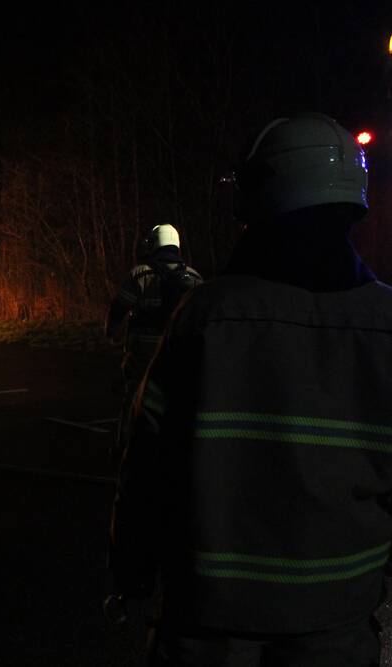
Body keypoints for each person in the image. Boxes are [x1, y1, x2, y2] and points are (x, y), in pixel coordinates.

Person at [109, 113, 392, 665]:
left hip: (208, 627)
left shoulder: (206, 317)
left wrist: (131, 573)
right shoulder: (387, 323)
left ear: (256, 198)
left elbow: (147, 466)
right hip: (337, 626)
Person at [106, 224, 202, 450]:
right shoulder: (195, 277)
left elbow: (119, 307)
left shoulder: (140, 274)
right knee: (177, 400)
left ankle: (126, 448)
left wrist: (110, 333)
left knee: (134, 397)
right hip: (179, 351)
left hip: (143, 352)